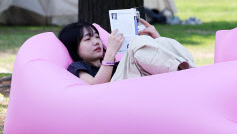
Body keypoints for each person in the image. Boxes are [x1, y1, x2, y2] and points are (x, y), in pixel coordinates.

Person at [59, 19, 195, 85]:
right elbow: (95, 87)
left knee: (162, 41)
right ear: (74, 47)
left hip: (136, 87)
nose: (96, 42)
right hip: (113, 96)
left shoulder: (118, 65)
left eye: (96, 37)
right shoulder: (78, 67)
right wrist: (110, 53)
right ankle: (187, 75)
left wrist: (157, 40)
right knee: (135, 43)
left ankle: (187, 72)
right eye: (87, 39)